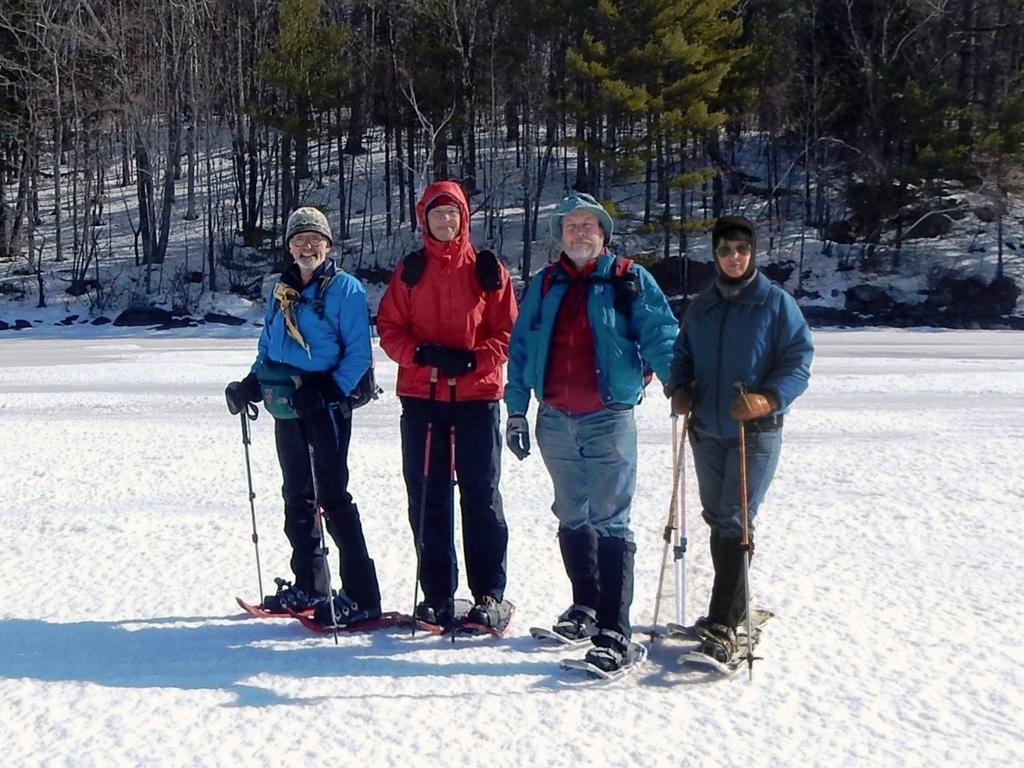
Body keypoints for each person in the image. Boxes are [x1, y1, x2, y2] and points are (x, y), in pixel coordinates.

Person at [504, 192, 678, 672]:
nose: (579, 233)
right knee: (571, 512)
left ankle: (613, 631)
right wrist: (516, 410)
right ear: (560, 234)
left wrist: (677, 384)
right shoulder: (545, 284)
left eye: (588, 225)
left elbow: (661, 334)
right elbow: (520, 350)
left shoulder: (628, 279)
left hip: (609, 416)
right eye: (571, 225)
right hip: (554, 418)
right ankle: (584, 608)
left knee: (610, 518)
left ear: (603, 233)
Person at [225, 206, 382, 627]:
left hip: (325, 405)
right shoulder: (283, 289)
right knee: (296, 495)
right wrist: (251, 384)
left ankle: (363, 594)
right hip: (287, 404)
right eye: (299, 240)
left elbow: (360, 353)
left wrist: (329, 392)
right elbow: (268, 345)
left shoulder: (345, 289)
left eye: (315, 239)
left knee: (332, 497)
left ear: (328, 246)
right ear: (290, 248)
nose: (306, 246)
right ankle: (311, 583)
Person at [666, 215, 813, 662]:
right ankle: (731, 609)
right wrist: (680, 388)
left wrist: (768, 399)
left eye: (742, 250)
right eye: (726, 250)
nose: (734, 257)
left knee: (735, 518)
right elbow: (682, 353)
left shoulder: (775, 303)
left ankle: (724, 621)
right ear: (715, 254)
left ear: (753, 253)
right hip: (708, 429)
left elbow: (798, 360)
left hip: (756, 432)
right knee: (717, 517)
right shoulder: (704, 305)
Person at [377, 180, 518, 630]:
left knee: (480, 496)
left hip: (476, 397)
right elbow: (389, 327)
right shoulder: (410, 270)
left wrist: (474, 360)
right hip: (423, 397)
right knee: (427, 497)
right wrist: (420, 355)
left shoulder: (487, 269)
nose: (444, 221)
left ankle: (489, 594)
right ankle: (437, 594)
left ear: (464, 219)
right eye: (436, 214)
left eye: (452, 214)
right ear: (424, 220)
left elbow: (507, 331)